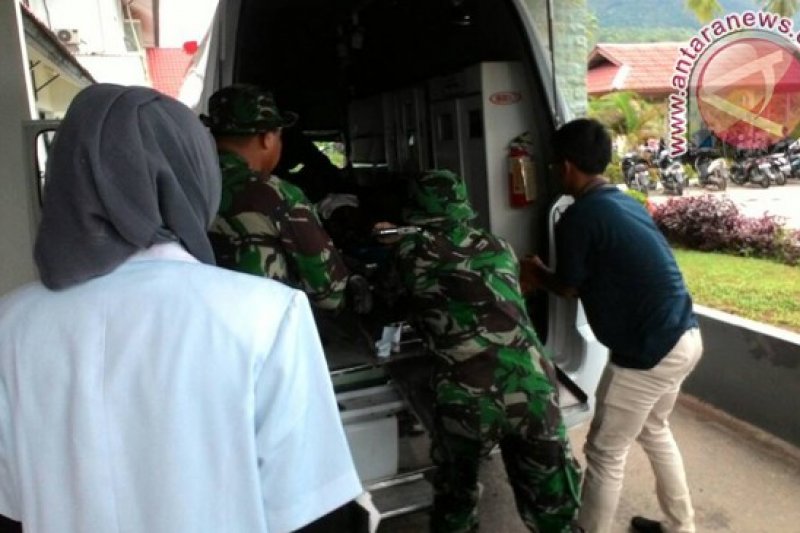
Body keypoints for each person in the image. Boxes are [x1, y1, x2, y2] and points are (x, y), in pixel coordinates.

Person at [0, 84, 363, 532]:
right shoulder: (267, 315)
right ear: (193, 174)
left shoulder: (11, 325)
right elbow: (310, 510)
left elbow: (9, 509)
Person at [520, 118, 703, 533]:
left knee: (604, 451)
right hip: (684, 335)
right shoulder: (623, 201)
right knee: (654, 429)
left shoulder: (580, 217)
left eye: (553, 166)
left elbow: (567, 287)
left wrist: (534, 271)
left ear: (565, 166)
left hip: (650, 351)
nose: (553, 173)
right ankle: (681, 527)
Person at [376, 169, 582, 533]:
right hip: (533, 388)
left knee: (457, 501)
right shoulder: (498, 245)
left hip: (465, 398)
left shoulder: (409, 253)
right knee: (554, 510)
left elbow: (385, 305)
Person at [200, 84, 357, 312]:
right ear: (267, 138)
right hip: (257, 334)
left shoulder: (182, 184)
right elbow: (329, 293)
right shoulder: (277, 195)